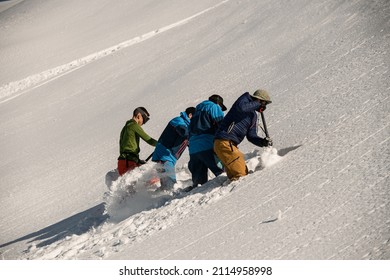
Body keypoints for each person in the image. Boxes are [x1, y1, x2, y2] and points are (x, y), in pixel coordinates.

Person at [214, 89, 272, 181]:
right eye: (265, 103)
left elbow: (251, 136)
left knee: (236, 177)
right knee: (242, 175)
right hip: (224, 141)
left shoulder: (253, 116)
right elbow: (242, 108)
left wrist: (262, 142)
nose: (264, 106)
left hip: (229, 145)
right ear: (259, 100)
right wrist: (258, 103)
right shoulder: (244, 99)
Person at [187, 95, 227, 190]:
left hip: (193, 148)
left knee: (199, 184)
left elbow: (188, 130)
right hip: (207, 145)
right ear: (218, 103)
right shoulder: (213, 107)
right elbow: (221, 124)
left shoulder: (196, 111)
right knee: (223, 175)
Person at [152, 107, 196, 190]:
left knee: (166, 186)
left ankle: (160, 199)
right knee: (170, 184)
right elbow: (183, 131)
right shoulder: (178, 121)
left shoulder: (187, 125)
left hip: (168, 157)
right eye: (195, 117)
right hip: (165, 155)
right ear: (190, 115)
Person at [117, 107, 158, 176]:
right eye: (145, 119)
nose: (144, 123)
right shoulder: (133, 125)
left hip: (124, 161)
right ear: (139, 115)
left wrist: (138, 161)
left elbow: (123, 146)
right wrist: (162, 144)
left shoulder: (126, 127)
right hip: (128, 162)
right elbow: (149, 140)